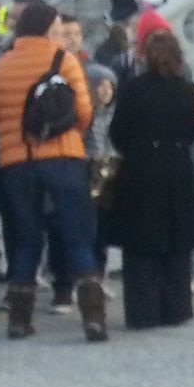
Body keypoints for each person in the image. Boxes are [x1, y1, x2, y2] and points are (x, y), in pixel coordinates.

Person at [0, 0, 103, 341]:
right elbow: (84, 114)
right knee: (76, 234)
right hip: (63, 157)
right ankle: (93, 319)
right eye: (58, 29)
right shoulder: (66, 61)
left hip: (16, 162)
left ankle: (19, 319)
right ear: (49, 30)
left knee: (26, 239)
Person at [106, 30, 194, 330]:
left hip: (141, 167)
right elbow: (191, 132)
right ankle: (176, 307)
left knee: (140, 245)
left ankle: (143, 311)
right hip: (177, 167)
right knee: (177, 243)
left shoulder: (133, 89)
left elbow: (117, 132)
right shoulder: (189, 91)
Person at [83, 62, 118, 279]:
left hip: (108, 175)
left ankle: (100, 274)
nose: (105, 91)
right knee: (87, 227)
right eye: (100, 86)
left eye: (110, 86)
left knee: (103, 229)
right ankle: (86, 275)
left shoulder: (114, 114)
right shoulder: (84, 114)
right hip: (87, 171)